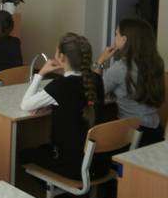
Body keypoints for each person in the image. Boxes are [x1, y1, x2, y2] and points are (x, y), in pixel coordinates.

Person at [20, 33, 107, 180]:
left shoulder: (60, 86)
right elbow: (78, 103)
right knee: (42, 149)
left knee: (23, 155)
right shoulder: (97, 80)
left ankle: (59, 194)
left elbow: (25, 104)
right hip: (98, 164)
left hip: (72, 166)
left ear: (61, 57)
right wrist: (54, 105)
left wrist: (41, 73)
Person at [94, 18, 165, 147]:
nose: (115, 37)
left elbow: (95, 91)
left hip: (132, 136)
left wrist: (100, 62)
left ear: (124, 40)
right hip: (155, 132)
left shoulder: (121, 67)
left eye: (116, 34)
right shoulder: (156, 64)